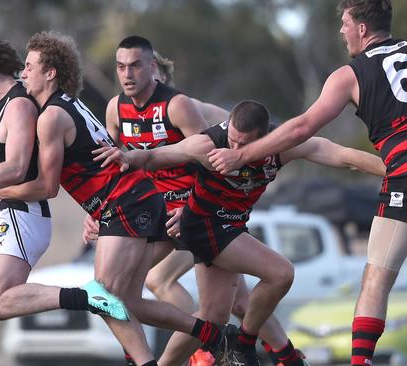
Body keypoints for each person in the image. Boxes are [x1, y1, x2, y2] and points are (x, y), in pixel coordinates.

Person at [0, 31, 231, 366]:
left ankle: (153, 357)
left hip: (126, 202)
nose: (23, 73)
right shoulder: (64, 107)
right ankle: (213, 335)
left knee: (102, 294)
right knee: (126, 300)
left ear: (50, 73)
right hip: (132, 200)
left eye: (29, 66)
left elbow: (47, 187)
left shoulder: (52, 117)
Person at [95, 99, 386, 366]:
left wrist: (394, 170)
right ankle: (244, 345)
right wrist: (127, 157)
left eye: (242, 144)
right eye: (231, 140)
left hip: (230, 225)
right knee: (281, 272)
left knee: (213, 316)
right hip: (204, 225)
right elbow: (157, 156)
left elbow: (343, 156)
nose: (233, 149)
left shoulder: (281, 145)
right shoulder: (208, 144)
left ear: (262, 139)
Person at [84, 37, 308, 366]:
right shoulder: (117, 108)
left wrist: (190, 206)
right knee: (234, 302)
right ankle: (277, 355)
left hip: (194, 210)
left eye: (136, 67)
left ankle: (201, 348)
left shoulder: (178, 106)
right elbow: (119, 169)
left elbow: (214, 164)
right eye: (121, 67)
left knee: (157, 283)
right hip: (160, 208)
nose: (128, 75)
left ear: (154, 71)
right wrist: (98, 211)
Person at [207, 2, 404, 365]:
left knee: (376, 279)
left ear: (361, 29)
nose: (341, 32)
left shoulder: (350, 74)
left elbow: (302, 128)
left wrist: (241, 156)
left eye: (345, 24)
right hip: (397, 170)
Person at [0, 33, 129, 366]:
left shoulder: (19, 105)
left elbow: (15, 169)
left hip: (20, 216)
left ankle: (86, 296)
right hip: (0, 216)